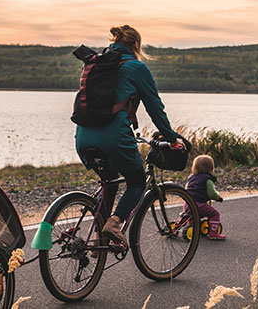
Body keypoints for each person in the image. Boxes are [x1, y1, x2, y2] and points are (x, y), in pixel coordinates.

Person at [75, 25, 180, 245]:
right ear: (136, 45)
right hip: (114, 137)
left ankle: (97, 239)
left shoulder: (97, 63)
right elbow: (155, 108)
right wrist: (171, 138)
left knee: (110, 182)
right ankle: (114, 223)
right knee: (137, 182)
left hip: (83, 137)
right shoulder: (136, 67)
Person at [184, 155, 226, 240]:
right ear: (210, 168)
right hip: (199, 205)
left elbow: (186, 189)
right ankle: (214, 233)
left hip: (187, 204)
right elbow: (211, 193)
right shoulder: (207, 179)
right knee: (215, 214)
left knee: (190, 216)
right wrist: (218, 198)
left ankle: (192, 226)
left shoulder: (191, 177)